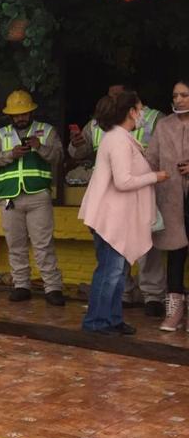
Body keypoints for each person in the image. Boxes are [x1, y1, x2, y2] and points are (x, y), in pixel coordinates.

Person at [69, 83, 166, 316]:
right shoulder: (118, 139)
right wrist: (156, 176)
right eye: (139, 109)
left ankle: (111, 319)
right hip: (110, 217)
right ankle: (99, 321)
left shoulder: (120, 137)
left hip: (118, 214)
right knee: (110, 273)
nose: (143, 113)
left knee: (114, 272)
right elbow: (123, 181)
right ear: (130, 111)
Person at [0, 89, 65, 305]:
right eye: (17, 114)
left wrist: (40, 148)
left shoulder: (46, 131)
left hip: (38, 194)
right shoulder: (1, 135)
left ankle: (53, 287)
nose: (21, 118)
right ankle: (21, 285)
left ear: (31, 112)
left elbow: (58, 156)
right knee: (15, 244)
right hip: (10, 196)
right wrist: (9, 155)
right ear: (10, 115)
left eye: (24, 113)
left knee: (43, 244)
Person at [146, 79, 189, 332]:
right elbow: (151, 160)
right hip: (171, 199)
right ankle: (174, 311)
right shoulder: (163, 126)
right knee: (175, 255)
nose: (179, 100)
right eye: (176, 95)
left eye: (184, 95)